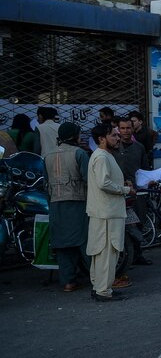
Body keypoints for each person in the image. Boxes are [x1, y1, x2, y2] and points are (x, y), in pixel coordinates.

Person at [86, 124, 133, 302]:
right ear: (102, 139)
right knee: (107, 253)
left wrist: (123, 185)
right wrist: (126, 190)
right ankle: (103, 291)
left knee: (101, 252)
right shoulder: (101, 157)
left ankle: (100, 287)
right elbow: (104, 184)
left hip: (105, 211)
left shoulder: (103, 156)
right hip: (107, 213)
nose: (118, 138)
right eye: (113, 135)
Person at [43, 122, 90, 292]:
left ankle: (68, 282)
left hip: (56, 204)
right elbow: (89, 180)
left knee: (62, 244)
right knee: (85, 242)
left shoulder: (48, 155)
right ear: (74, 136)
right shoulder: (79, 153)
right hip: (77, 203)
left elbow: (45, 182)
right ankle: (98, 279)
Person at [115, 117, 152, 272]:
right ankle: (122, 257)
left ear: (133, 129)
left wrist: (150, 180)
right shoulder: (113, 147)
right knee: (121, 226)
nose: (125, 131)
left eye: (128, 128)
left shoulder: (139, 147)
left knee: (139, 221)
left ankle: (137, 254)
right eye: (122, 128)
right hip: (118, 192)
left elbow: (144, 168)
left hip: (137, 191)